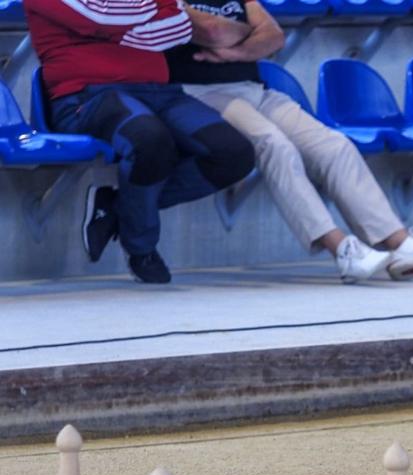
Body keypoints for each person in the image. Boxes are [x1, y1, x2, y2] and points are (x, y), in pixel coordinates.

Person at [164, 0, 413, 282]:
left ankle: (400, 243)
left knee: (333, 145)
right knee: (275, 145)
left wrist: (235, 51)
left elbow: (273, 36)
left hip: (253, 89)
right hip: (198, 93)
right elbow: (213, 30)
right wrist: (247, 34)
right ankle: (342, 250)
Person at [26, 0, 257, 283]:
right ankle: (141, 248)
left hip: (161, 91)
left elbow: (178, 29)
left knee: (234, 153)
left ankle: (118, 205)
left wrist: (127, 22)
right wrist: (158, 8)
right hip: (87, 95)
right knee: (150, 140)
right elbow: (97, 16)